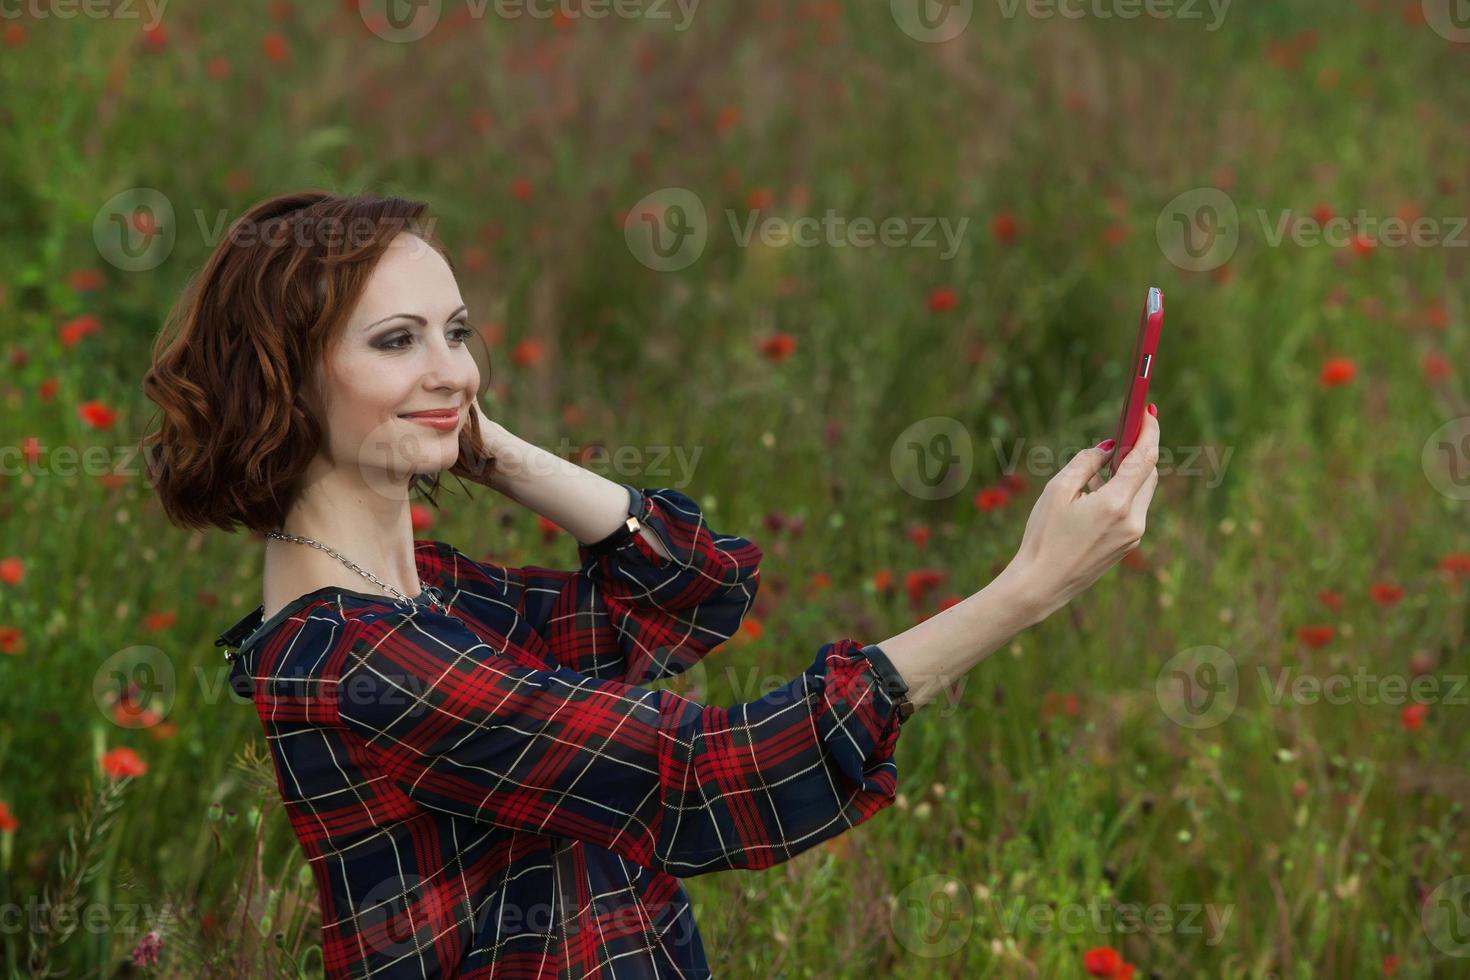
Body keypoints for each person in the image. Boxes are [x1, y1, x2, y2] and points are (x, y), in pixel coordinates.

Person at [141, 190, 1161, 978]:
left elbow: (694, 588)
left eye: (456, 332)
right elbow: (709, 781)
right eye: (395, 341)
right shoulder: (352, 658)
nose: (453, 369)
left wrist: (490, 452)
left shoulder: (434, 597)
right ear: (286, 378)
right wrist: (1027, 587)